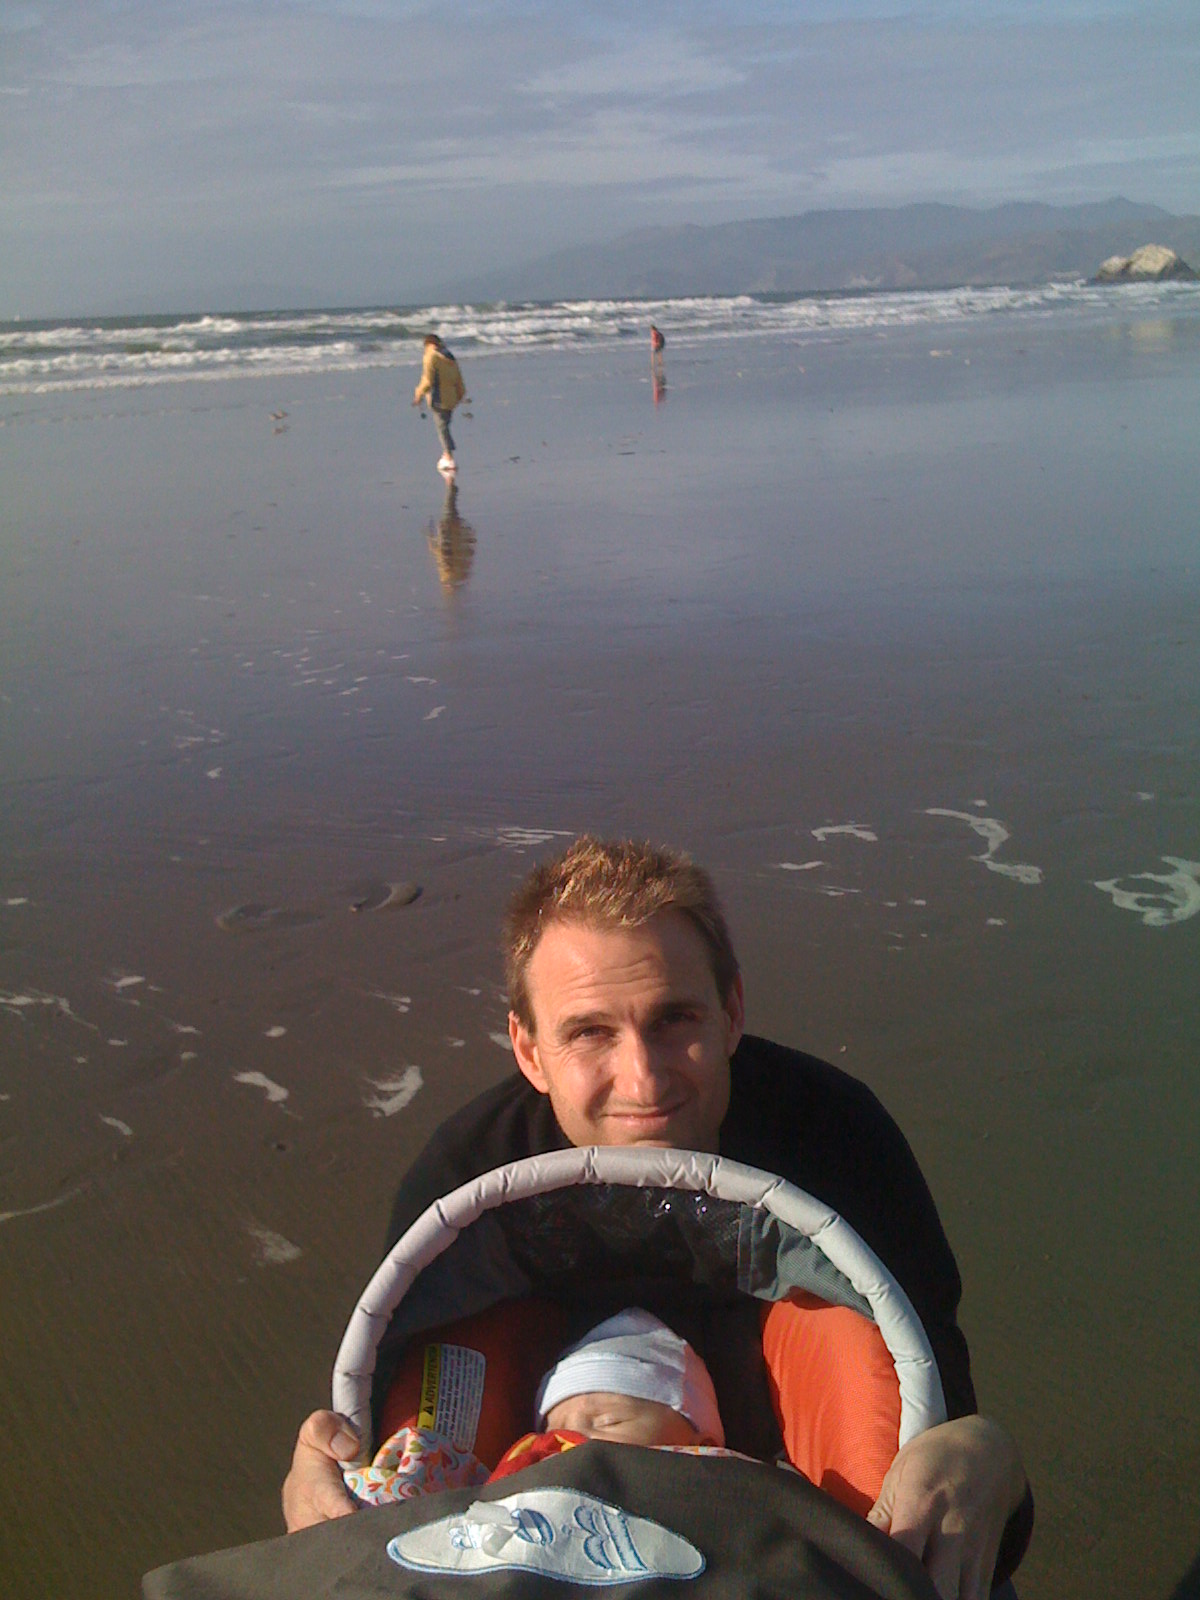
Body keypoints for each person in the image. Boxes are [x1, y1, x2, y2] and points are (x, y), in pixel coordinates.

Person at [283, 835, 1031, 1600]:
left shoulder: (837, 1140)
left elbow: (934, 1393)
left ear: (732, 1011)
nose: (642, 1078)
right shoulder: (466, 1182)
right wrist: (328, 1509)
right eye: (589, 1032)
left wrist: (992, 1455)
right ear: (529, 1050)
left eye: (675, 1019)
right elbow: (374, 1432)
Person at [345, 1309, 731, 1506]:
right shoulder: (506, 1478)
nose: (569, 1438)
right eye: (551, 1428)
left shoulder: (723, 1487)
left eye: (608, 1421)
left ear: (705, 1447)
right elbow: (405, 1494)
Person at [412, 333, 468, 474]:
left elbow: (428, 380)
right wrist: (460, 395)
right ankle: (447, 455)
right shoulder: (449, 356)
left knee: (441, 429)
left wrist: (418, 394)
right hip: (452, 398)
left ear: (428, 345)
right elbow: (458, 378)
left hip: (438, 398)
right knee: (445, 426)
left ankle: (449, 457)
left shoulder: (430, 357)